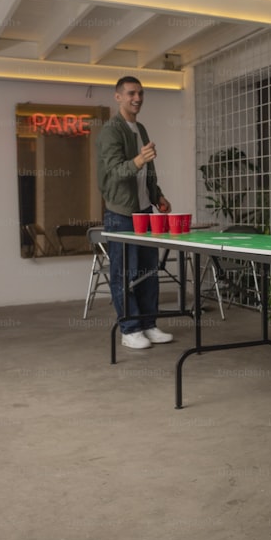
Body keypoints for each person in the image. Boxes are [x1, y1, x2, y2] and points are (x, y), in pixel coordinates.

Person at [96, 76, 174, 351]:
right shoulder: (111, 131)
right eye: (131, 93)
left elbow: (147, 172)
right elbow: (115, 173)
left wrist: (158, 196)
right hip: (121, 214)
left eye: (140, 93)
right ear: (118, 96)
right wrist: (139, 159)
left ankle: (148, 324)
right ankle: (130, 329)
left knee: (148, 271)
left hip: (144, 212)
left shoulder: (140, 127)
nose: (137, 98)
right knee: (124, 273)